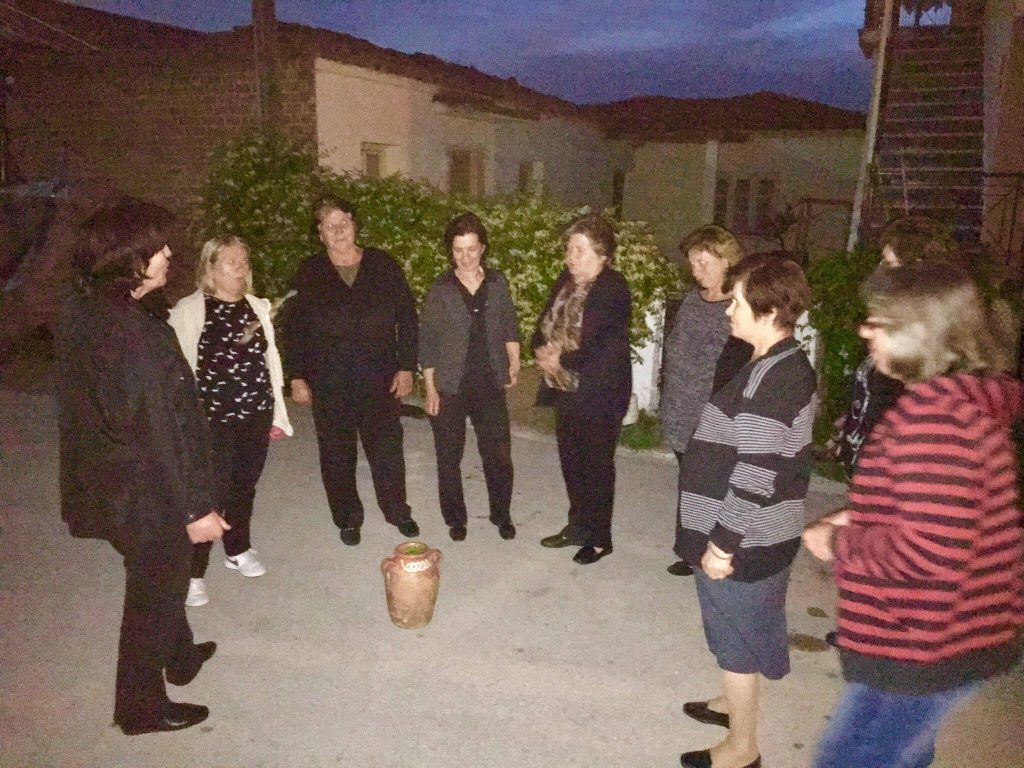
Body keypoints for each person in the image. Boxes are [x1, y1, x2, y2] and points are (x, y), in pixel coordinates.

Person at [803, 261, 1022, 768]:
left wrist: (837, 543)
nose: (865, 332)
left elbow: (930, 552)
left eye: (879, 322)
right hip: (945, 633)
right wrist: (859, 515)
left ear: (919, 334)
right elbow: (945, 512)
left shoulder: (934, 422)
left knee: (851, 760)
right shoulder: (957, 406)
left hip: (920, 644)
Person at [57, 197, 228, 735]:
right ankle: (139, 709)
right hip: (146, 491)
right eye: (158, 248)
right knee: (154, 591)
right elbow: (161, 430)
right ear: (130, 257)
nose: (169, 254)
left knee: (160, 577)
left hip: (112, 481)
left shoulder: (94, 307)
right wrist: (195, 509)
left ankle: (180, 657)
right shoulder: (130, 335)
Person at [675, 254, 817, 768]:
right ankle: (732, 700)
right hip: (765, 533)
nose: (728, 310)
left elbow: (756, 473)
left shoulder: (772, 380)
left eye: (736, 302)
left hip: (744, 539)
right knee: (749, 622)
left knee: (733, 635)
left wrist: (721, 546)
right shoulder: (778, 362)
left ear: (769, 312)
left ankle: (742, 748)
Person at [283, 196, 419, 546]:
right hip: (329, 381)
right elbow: (293, 327)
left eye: (343, 222)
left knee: (387, 450)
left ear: (355, 225)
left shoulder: (383, 264)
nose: (339, 230)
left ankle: (397, 511)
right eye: (330, 225)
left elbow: (407, 317)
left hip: (380, 378)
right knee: (336, 452)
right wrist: (296, 376)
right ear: (320, 234)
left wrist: (406, 366)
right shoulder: (309, 271)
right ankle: (347, 517)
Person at [168, 236, 293, 607]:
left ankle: (237, 548)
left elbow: (270, 363)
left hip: (254, 413)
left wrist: (276, 413)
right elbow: (174, 370)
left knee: (244, 485)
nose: (241, 269)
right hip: (212, 420)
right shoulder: (190, 311)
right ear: (210, 268)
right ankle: (191, 572)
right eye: (231, 262)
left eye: (244, 261)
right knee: (210, 495)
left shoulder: (256, 307)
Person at [534, 213, 632, 565]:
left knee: (596, 467)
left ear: (602, 254)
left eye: (579, 250)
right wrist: (539, 350)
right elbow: (544, 322)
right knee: (572, 463)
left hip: (599, 393)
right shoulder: (566, 280)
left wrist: (560, 359)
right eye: (569, 249)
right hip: (564, 389)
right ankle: (577, 526)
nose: (570, 257)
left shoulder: (613, 288)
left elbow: (602, 346)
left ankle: (600, 538)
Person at [419, 212, 521, 541]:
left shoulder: (497, 283)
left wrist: (514, 361)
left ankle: (501, 514)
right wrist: (430, 388)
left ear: (483, 248)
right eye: (458, 250)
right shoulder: (441, 289)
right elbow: (428, 341)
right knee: (449, 456)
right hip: (450, 386)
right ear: (451, 251)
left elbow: (509, 324)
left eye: (472, 249)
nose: (465, 257)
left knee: (499, 455)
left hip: (489, 383)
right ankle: (455, 518)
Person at [831, 216, 959, 478]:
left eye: (889, 263)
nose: (880, 272)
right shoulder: (891, 325)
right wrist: (853, 422)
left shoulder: (922, 344)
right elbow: (878, 393)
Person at [661, 225, 751, 577]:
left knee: (711, 482)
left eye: (703, 262)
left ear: (726, 261)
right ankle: (690, 549)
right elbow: (675, 345)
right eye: (692, 262)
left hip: (712, 411)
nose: (695, 269)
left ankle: (714, 549)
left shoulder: (737, 307)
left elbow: (733, 365)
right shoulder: (691, 300)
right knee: (689, 481)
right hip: (680, 406)